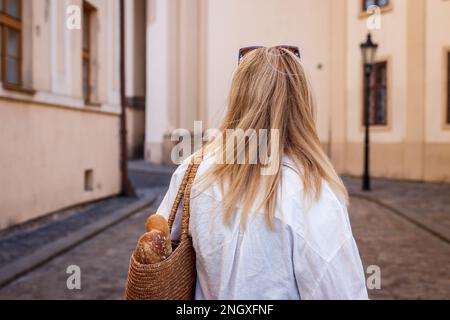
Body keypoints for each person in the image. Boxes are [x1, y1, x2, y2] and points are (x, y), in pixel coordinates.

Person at [157, 46, 368, 300]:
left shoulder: (192, 171)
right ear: (301, 104)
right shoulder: (312, 194)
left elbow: (159, 242)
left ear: (238, 99)